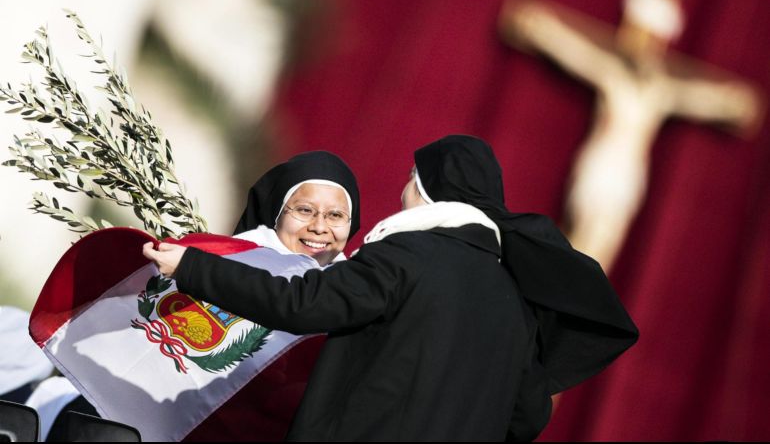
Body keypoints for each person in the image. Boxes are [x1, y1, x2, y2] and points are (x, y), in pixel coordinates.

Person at [144, 135, 638, 441]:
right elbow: (528, 417)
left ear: (424, 190)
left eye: (409, 179)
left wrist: (192, 266)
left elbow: (304, 303)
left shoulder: (408, 257)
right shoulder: (517, 305)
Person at [184, 150, 361, 441]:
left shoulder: (356, 299)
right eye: (304, 210)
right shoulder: (212, 265)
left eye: (335, 215)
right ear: (277, 210)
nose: (319, 226)